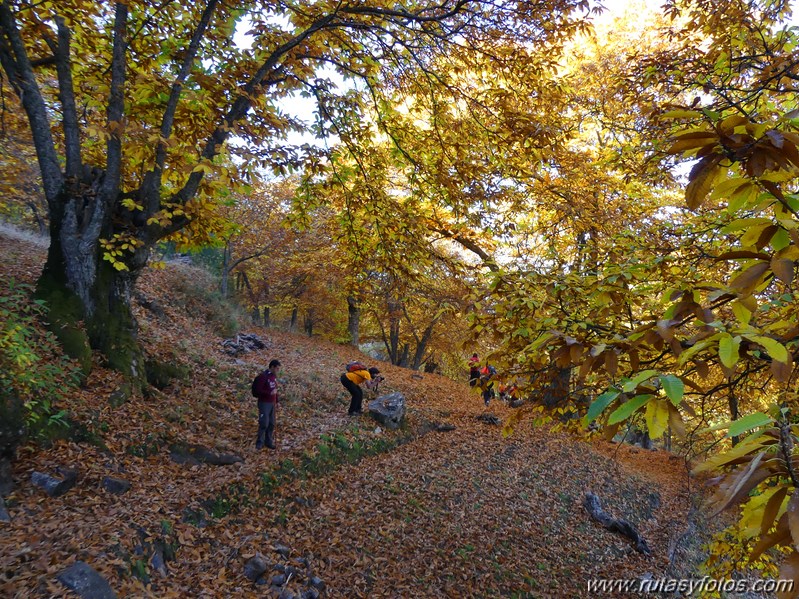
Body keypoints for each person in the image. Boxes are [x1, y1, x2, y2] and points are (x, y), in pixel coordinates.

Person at [253, 359, 281, 450]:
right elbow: (258, 391)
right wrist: (269, 393)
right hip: (264, 403)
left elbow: (275, 390)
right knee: (264, 422)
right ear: (272, 367)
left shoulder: (273, 377)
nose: (278, 370)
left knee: (272, 423)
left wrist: (277, 402)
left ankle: (268, 441)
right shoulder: (263, 377)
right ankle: (259, 442)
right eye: (277, 368)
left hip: (272, 403)